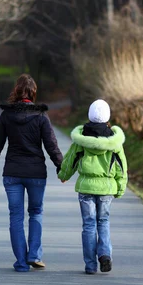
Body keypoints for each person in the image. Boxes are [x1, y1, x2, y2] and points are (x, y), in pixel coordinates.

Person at [0, 74, 63, 272]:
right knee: (36, 213)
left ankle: (21, 262)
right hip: (36, 173)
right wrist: (61, 167)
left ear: (16, 91)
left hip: (12, 173)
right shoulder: (41, 115)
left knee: (16, 216)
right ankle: (34, 255)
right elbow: (51, 145)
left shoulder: (7, 115)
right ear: (33, 92)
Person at [57, 99, 128, 274]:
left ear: (89, 115)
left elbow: (70, 161)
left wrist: (63, 175)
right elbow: (122, 167)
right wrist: (120, 187)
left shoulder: (81, 140)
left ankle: (90, 265)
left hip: (86, 189)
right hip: (106, 189)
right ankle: (104, 254)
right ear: (108, 117)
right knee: (103, 222)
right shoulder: (114, 142)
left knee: (89, 225)